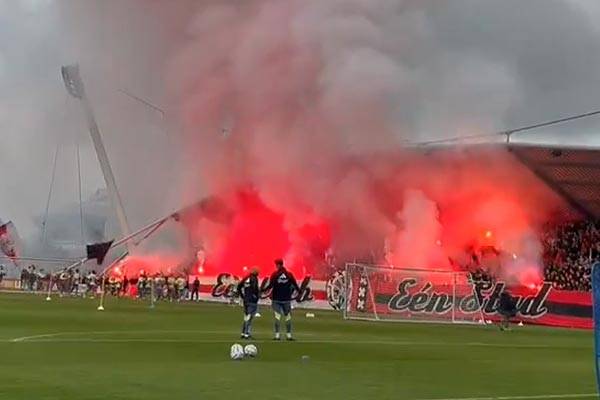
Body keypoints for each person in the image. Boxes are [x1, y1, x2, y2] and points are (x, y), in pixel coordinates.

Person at [264, 259, 300, 341]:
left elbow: (270, 286)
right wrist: (299, 292)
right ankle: (289, 335)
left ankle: (277, 335)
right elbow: (295, 284)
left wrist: (262, 290)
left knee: (277, 316)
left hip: (276, 299)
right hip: (286, 299)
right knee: (288, 317)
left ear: (277, 265)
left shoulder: (275, 274)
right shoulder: (289, 274)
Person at [238, 268, 260, 339]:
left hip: (246, 300)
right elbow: (255, 288)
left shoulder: (246, 278)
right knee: (249, 318)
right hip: (252, 301)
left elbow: (239, 286)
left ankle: (243, 332)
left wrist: (242, 295)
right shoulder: (254, 279)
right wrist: (256, 296)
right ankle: (247, 333)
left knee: (246, 317)